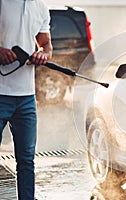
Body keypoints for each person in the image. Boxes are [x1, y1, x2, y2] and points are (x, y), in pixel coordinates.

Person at [0, 0, 52, 199]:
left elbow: (46, 43)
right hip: (1, 93)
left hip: (26, 98)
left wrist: (43, 54)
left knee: (27, 161)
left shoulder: (40, 7)